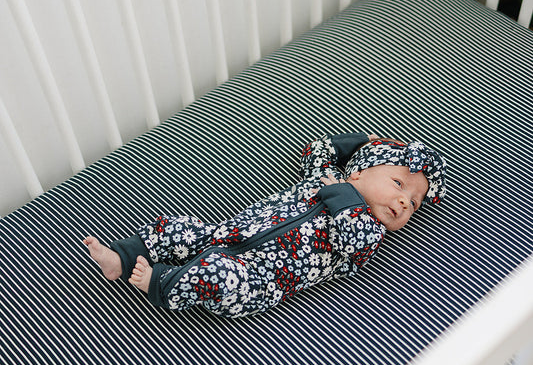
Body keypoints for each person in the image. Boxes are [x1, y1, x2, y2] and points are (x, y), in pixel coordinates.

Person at [83, 132, 446, 319]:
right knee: (178, 229)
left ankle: (161, 283)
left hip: (259, 280)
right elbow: (315, 151)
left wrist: (344, 194)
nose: (404, 202)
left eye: (414, 203)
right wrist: (362, 143)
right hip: (225, 233)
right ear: (359, 171)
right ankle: (121, 258)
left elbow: (355, 241)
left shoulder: (369, 230)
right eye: (398, 184)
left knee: (217, 273)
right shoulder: (324, 176)